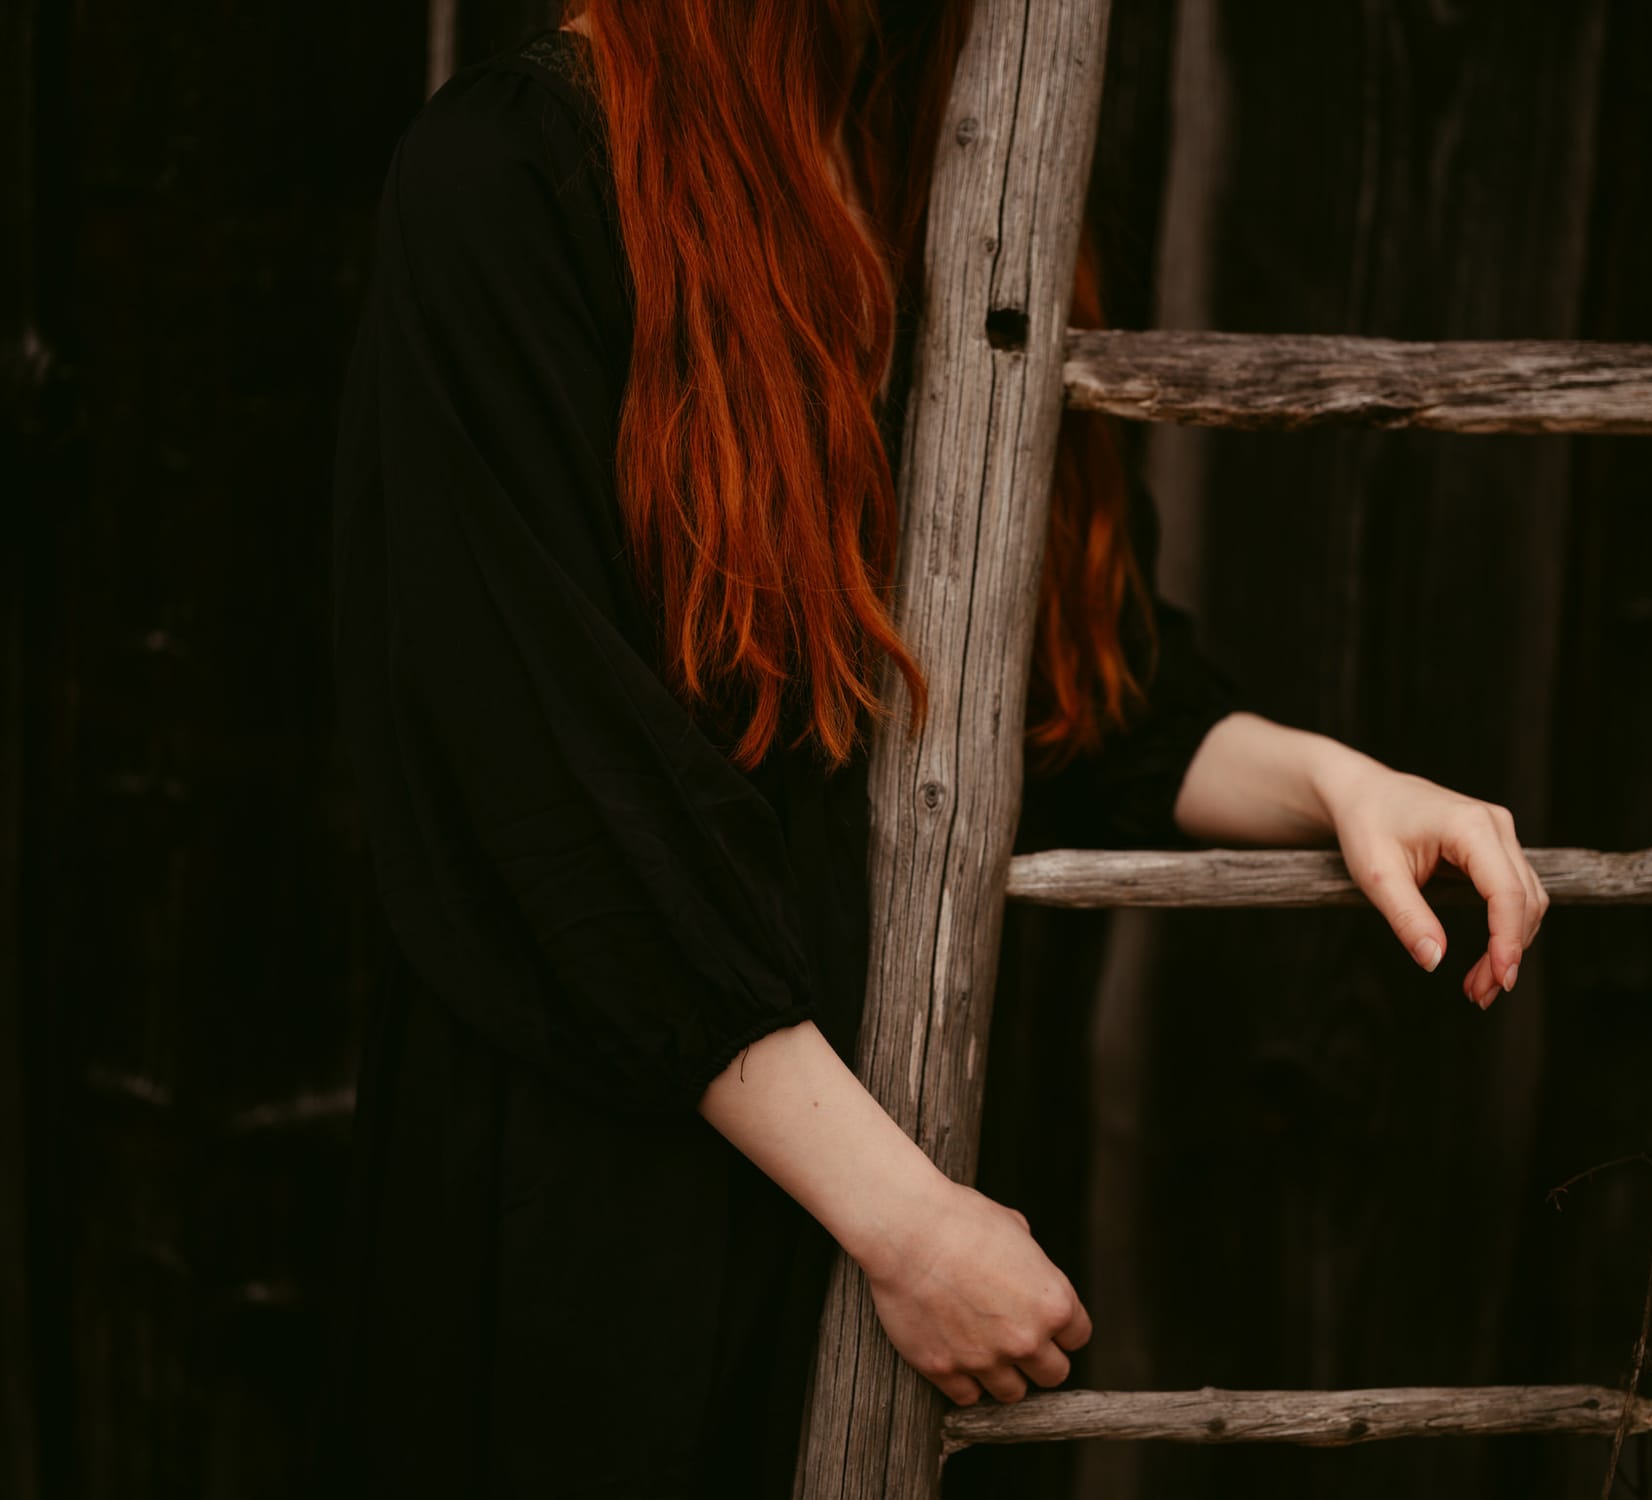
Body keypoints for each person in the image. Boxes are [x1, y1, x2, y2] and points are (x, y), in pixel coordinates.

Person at [313, 3, 1550, 1495]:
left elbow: (1060, 692)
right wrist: (896, 1216)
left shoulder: (940, 169)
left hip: (897, 1200)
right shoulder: (507, 179)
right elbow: (542, 776)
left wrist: (1342, 783)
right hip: (594, 1212)